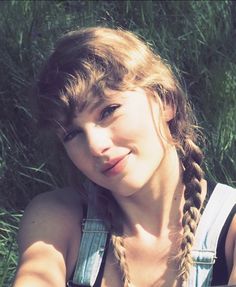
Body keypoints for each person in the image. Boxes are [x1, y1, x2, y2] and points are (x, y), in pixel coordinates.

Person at [13, 27, 236, 287]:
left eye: (108, 111)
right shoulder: (58, 218)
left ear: (165, 100)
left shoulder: (229, 227)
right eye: (72, 134)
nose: (96, 146)